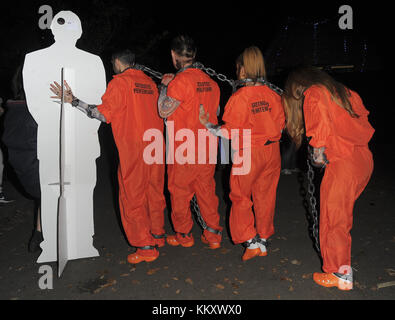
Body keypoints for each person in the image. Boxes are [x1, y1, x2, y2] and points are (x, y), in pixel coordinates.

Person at [50, 49, 166, 264]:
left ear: (117, 62)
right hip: (156, 145)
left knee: (132, 197)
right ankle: (158, 234)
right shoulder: (149, 84)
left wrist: (74, 101)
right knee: (154, 191)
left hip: (135, 147)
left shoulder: (120, 83)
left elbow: (102, 114)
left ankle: (145, 246)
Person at [281, 66, 374, 290]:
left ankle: (339, 273)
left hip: (343, 163)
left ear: (298, 85)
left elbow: (319, 123)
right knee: (341, 216)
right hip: (363, 159)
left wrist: (318, 152)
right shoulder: (344, 92)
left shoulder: (313, 92)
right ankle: (341, 270)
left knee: (334, 220)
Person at [199, 46, 285, 261]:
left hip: (249, 152)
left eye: (237, 68)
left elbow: (229, 132)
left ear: (242, 70)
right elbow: (282, 125)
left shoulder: (241, 97)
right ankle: (264, 238)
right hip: (272, 152)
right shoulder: (274, 95)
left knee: (240, 196)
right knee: (266, 196)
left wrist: (208, 124)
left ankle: (250, 240)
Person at [158, 35, 223, 249]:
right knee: (206, 190)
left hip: (184, 149)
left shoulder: (179, 83)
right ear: (194, 55)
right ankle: (213, 234)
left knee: (179, 192)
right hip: (208, 147)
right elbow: (216, 113)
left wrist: (164, 88)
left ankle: (184, 235)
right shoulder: (212, 83)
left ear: (174, 55)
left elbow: (163, 110)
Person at [2, 65, 42, 252]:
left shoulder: (13, 110)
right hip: (34, 173)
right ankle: (48, 237)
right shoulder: (33, 111)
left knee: (45, 195)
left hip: (23, 173)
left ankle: (39, 232)